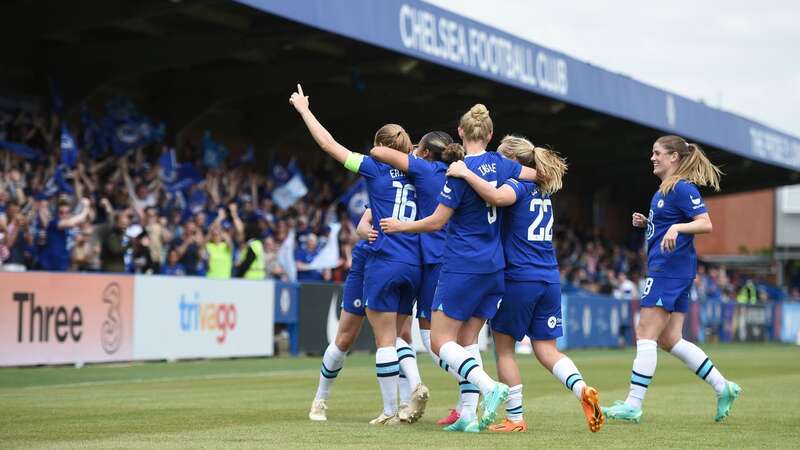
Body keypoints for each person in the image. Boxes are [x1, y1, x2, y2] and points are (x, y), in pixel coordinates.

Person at [381, 104, 536, 432]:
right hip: (495, 268)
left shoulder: (458, 172)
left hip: (463, 266)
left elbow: (437, 222)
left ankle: (489, 387)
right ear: (491, 134)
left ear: (461, 132)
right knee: (467, 341)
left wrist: (400, 226)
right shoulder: (502, 164)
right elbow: (537, 175)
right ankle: (468, 414)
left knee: (438, 342)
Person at [290, 84, 428, 425]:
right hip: (398, 260)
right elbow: (366, 220)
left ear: (380, 146)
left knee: (363, 337)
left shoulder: (375, 168)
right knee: (376, 335)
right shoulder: (421, 174)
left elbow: (328, 145)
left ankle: (391, 404)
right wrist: (362, 228)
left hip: (380, 258)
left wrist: (305, 109)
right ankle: (327, 399)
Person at [447, 135, 603, 433]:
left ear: (514, 162)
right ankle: (582, 389)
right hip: (549, 278)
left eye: (501, 160)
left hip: (520, 278)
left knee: (503, 350)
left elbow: (494, 197)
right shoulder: (544, 191)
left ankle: (515, 417)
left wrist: (466, 173)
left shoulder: (517, 186)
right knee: (547, 350)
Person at [602, 135, 740, 423]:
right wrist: (649, 223)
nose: (652, 158)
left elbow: (705, 223)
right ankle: (723, 386)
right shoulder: (663, 191)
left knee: (645, 333)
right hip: (670, 268)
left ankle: (633, 404)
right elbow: (667, 226)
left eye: (657, 153)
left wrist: (677, 227)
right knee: (669, 338)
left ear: (674, 157)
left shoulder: (681, 188)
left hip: (669, 270)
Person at [371, 131, 470, 425]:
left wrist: (408, 154)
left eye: (419, 147)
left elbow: (378, 152)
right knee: (435, 336)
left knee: (433, 340)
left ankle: (478, 386)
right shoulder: (457, 174)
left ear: (426, 152)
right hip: (450, 258)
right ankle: (463, 401)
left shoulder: (424, 169)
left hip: (432, 262)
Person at [38, 197, 92, 271]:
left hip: (63, 266)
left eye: (66, 213)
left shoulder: (69, 230)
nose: (64, 215)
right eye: (61, 212)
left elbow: (82, 227)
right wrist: (86, 208)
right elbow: (71, 222)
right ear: (57, 214)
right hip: (48, 266)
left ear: (70, 214)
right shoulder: (53, 223)